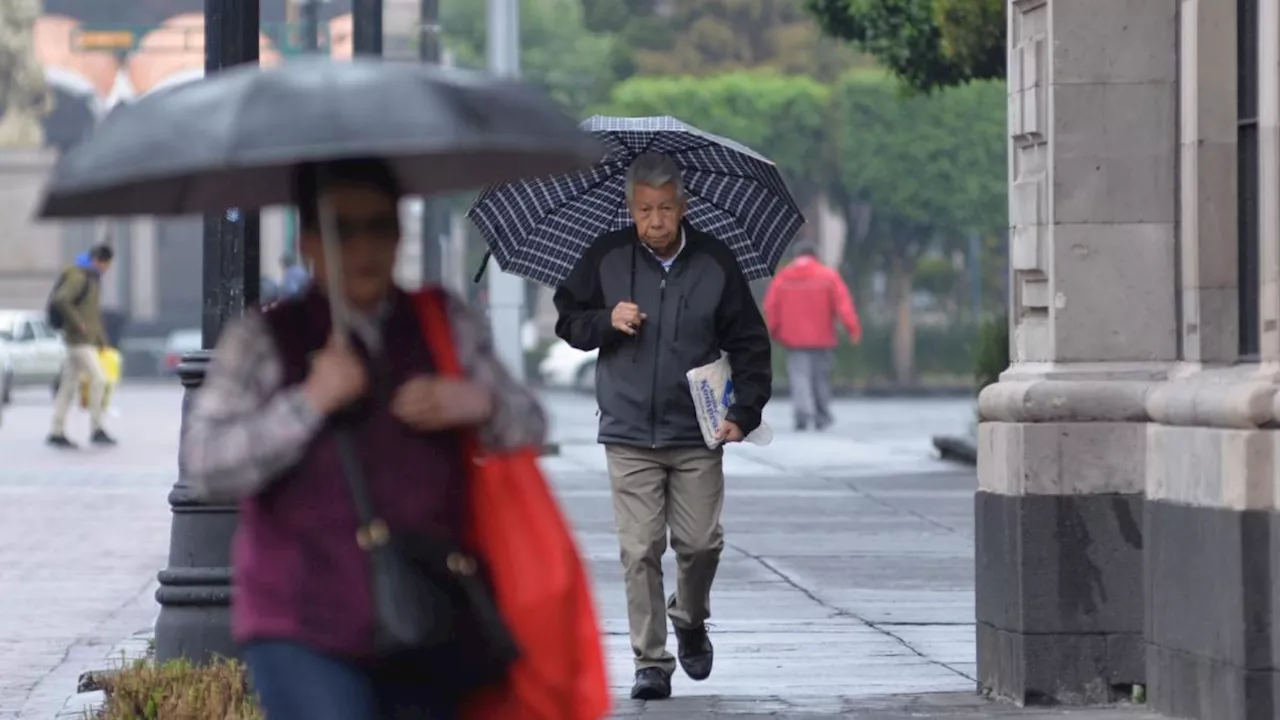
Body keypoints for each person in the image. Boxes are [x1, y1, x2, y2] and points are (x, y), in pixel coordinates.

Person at [180, 157, 546, 720]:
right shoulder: (263, 337)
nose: (363, 247)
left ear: (399, 232)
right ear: (308, 242)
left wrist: (477, 402)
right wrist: (309, 402)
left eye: (379, 226)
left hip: (426, 604)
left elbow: (530, 423)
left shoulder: (439, 321)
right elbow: (206, 463)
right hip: (299, 617)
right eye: (342, 229)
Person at [553, 152, 772, 701]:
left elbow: (749, 342)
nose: (655, 221)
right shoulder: (605, 258)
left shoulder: (715, 262)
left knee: (700, 544)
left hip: (697, 430)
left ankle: (690, 617)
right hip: (628, 430)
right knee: (640, 547)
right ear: (631, 208)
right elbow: (568, 320)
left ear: (683, 206)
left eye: (666, 209)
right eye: (645, 209)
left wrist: (744, 412)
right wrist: (607, 321)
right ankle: (651, 660)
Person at [763, 243, 861, 431]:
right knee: (821, 378)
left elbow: (771, 307)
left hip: (794, 339)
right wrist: (852, 329)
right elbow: (844, 305)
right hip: (823, 338)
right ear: (815, 255)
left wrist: (774, 331)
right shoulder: (828, 276)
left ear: (796, 256)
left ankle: (802, 413)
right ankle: (821, 415)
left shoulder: (784, 277)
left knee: (799, 377)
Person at [48, 243, 115, 448]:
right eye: (105, 263)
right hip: (78, 341)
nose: (106, 268)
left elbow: (93, 314)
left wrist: (101, 340)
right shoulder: (79, 276)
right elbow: (61, 299)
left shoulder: (91, 278)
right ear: (97, 259)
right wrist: (79, 324)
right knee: (99, 380)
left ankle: (56, 430)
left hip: (84, 341)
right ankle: (97, 428)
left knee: (68, 387)